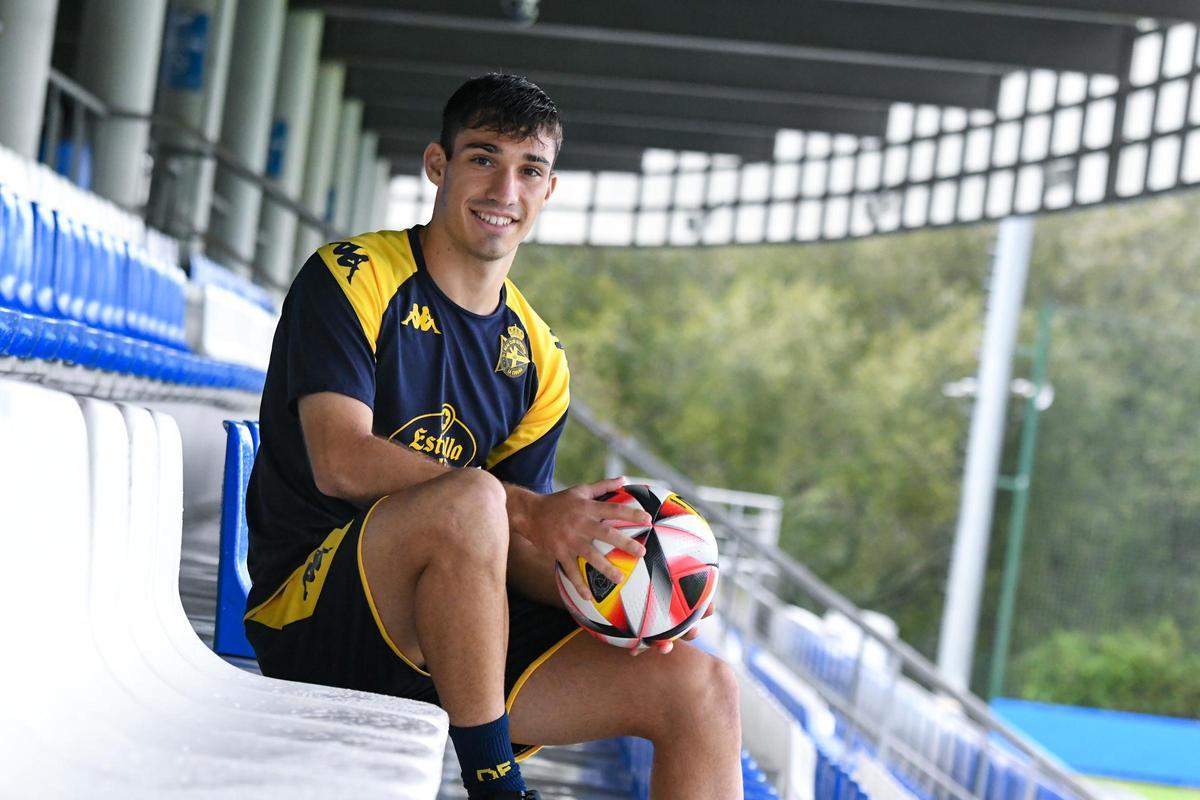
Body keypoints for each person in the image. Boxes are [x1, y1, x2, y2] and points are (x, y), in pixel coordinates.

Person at [243, 73, 742, 800]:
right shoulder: (352, 278)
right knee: (471, 497)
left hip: (453, 635)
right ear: (438, 166)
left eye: (529, 169)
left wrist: (629, 584)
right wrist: (533, 514)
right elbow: (338, 459)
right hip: (317, 618)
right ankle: (493, 781)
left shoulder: (539, 358)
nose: (505, 188)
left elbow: (509, 552)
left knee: (705, 690)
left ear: (548, 190)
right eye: (483, 158)